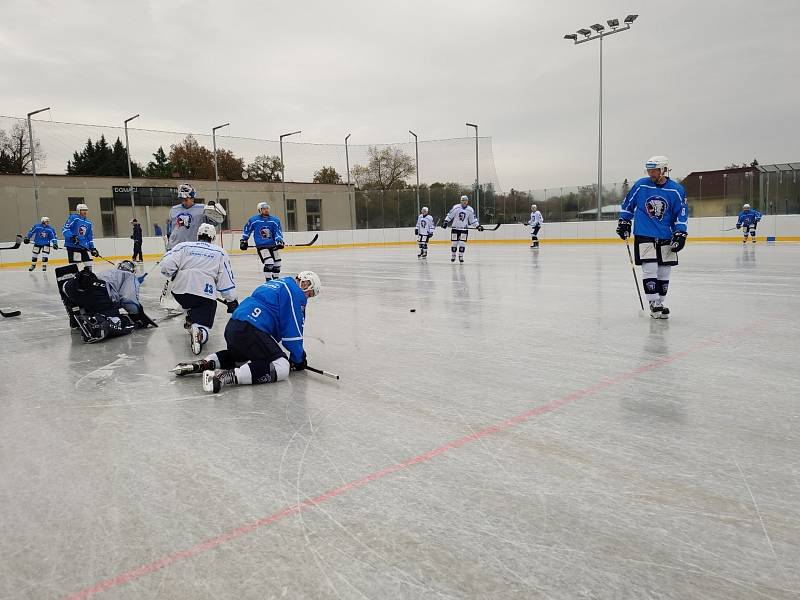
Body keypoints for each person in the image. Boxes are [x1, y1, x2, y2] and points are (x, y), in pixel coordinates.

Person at [172, 271, 321, 393]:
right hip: (253, 328)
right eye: (311, 293)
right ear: (305, 284)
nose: (308, 297)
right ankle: (225, 376)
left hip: (234, 326)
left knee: (240, 357)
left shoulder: (276, 283)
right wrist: (298, 359)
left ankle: (204, 364)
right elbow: (292, 333)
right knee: (281, 366)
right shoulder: (294, 293)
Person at [616, 155, 688, 319]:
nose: (651, 174)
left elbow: (681, 214)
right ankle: (654, 302)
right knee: (650, 268)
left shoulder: (677, 190)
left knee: (664, 271)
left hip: (665, 234)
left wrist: (680, 232)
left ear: (664, 169)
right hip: (644, 233)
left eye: (654, 170)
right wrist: (624, 221)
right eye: (649, 170)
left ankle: (660, 302)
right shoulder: (641, 185)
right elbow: (628, 204)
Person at [160, 223, 238, 355]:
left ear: (198, 235)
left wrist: (173, 275)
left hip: (180, 291)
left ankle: (190, 319)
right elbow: (226, 280)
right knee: (204, 316)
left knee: (191, 303)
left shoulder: (183, 246)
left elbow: (166, 266)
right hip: (204, 294)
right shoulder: (220, 252)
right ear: (213, 237)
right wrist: (231, 301)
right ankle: (200, 332)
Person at [57, 262, 155, 342]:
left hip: (70, 287)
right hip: (98, 293)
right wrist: (137, 315)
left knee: (87, 299)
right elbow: (129, 301)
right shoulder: (130, 276)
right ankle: (98, 321)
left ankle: (79, 315)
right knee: (116, 319)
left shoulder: (109, 272)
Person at [165, 183, 227, 250]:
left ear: (192, 198)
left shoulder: (203, 209)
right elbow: (170, 229)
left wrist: (214, 212)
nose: (183, 202)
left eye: (186, 200)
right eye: (182, 199)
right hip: (175, 247)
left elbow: (215, 222)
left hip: (195, 248)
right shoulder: (174, 209)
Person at [240, 202, 285, 281]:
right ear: (259, 210)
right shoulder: (253, 220)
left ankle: (276, 280)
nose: (266, 210)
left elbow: (278, 231)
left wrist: (279, 241)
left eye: (267, 208)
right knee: (269, 262)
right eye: (264, 209)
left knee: (277, 263)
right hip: (262, 246)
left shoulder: (275, 220)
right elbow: (247, 230)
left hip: (273, 245)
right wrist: (244, 240)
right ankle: (268, 281)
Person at [442, 195, 483, 263]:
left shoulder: (470, 210)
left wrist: (478, 226)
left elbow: (473, 220)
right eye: (463, 200)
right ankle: (453, 255)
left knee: (462, 243)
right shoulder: (456, 207)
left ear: (467, 201)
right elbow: (450, 215)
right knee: (454, 243)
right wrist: (445, 222)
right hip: (455, 228)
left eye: (466, 200)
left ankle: (461, 256)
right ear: (461, 201)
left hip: (464, 229)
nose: (464, 202)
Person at [62, 203, 98, 270]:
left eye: (86, 210)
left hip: (84, 246)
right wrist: (72, 237)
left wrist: (92, 248)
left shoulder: (88, 223)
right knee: (75, 265)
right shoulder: (73, 218)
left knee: (89, 263)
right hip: (73, 246)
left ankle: (87, 279)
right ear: (78, 211)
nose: (85, 211)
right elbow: (65, 229)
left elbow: (89, 237)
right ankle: (75, 279)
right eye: (83, 210)